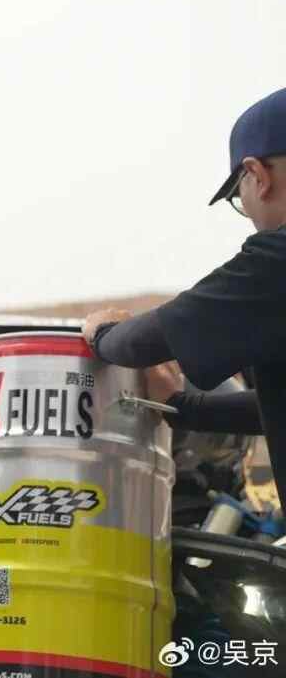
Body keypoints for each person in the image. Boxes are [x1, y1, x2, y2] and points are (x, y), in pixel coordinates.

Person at [83, 87, 286, 503]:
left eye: (238, 197)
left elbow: (146, 341)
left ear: (257, 175)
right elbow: (275, 406)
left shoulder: (275, 261)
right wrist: (182, 406)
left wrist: (102, 332)